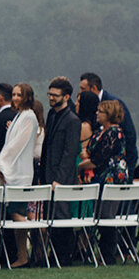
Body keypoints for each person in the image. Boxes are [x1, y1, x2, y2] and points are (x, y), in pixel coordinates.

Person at [0, 83, 43, 267]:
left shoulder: (29, 117)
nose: (15, 98)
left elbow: (17, 146)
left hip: (19, 173)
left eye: (18, 95)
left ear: (27, 96)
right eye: (13, 94)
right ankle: (22, 255)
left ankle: (32, 251)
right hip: (14, 171)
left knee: (17, 212)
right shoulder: (20, 116)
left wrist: (0, 163)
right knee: (15, 212)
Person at [81, 98, 131, 262]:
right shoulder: (99, 132)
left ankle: (108, 255)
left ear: (109, 114)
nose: (97, 114)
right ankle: (101, 253)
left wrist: (80, 167)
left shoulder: (115, 133)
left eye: (100, 111)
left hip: (111, 178)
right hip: (99, 177)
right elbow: (89, 151)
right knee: (100, 214)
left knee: (107, 216)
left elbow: (99, 158)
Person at [40, 78, 83, 262]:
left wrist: (60, 178)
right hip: (48, 172)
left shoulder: (73, 120)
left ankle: (64, 256)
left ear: (66, 97)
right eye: (49, 94)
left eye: (55, 95)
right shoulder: (52, 115)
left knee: (62, 216)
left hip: (62, 176)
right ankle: (54, 253)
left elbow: (70, 152)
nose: (51, 98)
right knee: (51, 214)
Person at [80, 72, 138, 175]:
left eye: (83, 89)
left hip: (113, 170)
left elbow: (130, 135)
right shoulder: (100, 129)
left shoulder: (114, 103)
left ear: (93, 88)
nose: (80, 92)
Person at [76, 90, 100, 182]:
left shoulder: (84, 126)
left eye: (78, 102)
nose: (75, 104)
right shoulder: (94, 125)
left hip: (81, 163)